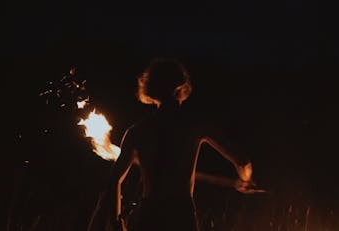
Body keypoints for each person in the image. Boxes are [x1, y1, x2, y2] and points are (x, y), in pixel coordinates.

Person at [107, 57, 254, 231]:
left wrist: (117, 222)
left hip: (149, 215)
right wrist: (246, 179)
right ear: (181, 86)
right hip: (181, 215)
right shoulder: (195, 125)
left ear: (150, 89)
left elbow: (114, 181)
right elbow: (243, 162)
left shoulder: (137, 131)